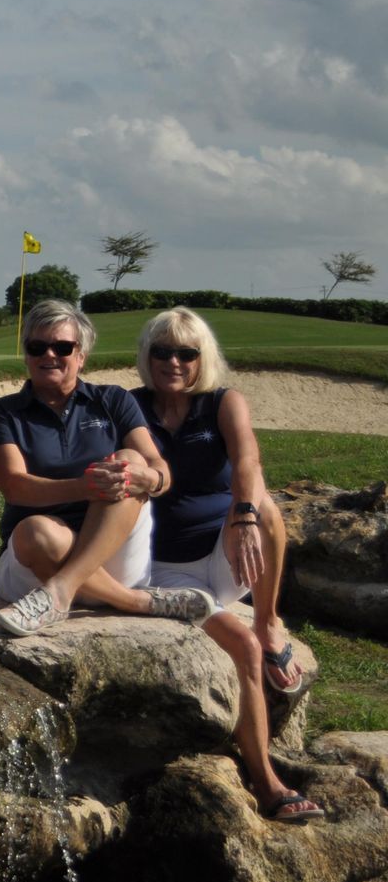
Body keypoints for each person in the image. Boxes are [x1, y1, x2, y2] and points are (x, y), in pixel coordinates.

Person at [133, 308, 323, 822]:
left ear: (203, 358)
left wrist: (241, 517)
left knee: (265, 505)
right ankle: (267, 781)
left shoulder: (222, 402)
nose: (173, 361)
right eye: (161, 351)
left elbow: (247, 460)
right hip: (165, 572)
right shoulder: (130, 407)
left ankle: (268, 620)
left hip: (228, 556)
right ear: (146, 357)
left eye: (186, 353)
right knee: (237, 646)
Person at [0, 299, 212, 636]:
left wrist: (148, 478)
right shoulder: (3, 413)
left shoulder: (113, 400)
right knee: (35, 531)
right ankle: (134, 601)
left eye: (62, 347)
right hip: (36, 558)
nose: (49, 355)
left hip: (112, 548)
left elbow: (157, 467)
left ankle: (61, 591)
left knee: (130, 461)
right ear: (26, 354)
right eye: (37, 346)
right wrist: (85, 486)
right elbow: (15, 485)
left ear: (81, 355)